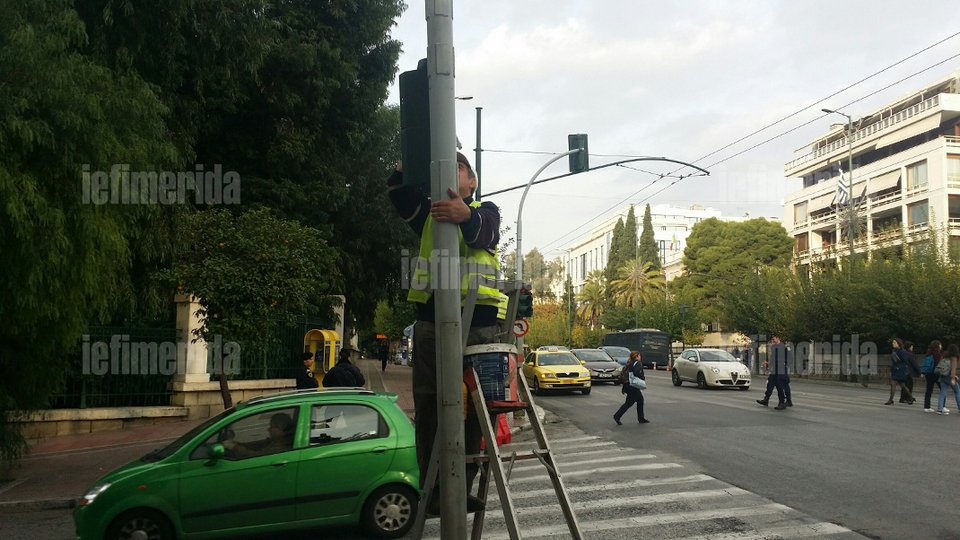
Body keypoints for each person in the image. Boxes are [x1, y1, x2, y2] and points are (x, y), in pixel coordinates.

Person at [388, 150, 506, 514]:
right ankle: (435, 489)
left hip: (480, 329)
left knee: (475, 410)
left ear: (471, 182)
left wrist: (465, 214)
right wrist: (408, 162)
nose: (454, 171)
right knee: (429, 406)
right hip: (432, 324)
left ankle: (462, 485)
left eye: (461, 167)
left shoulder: (487, 210)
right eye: (446, 165)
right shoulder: (429, 214)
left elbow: (485, 230)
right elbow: (398, 193)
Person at [222, 412, 295, 458]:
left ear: (280, 429)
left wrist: (234, 447)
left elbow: (257, 456)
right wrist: (237, 444)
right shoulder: (277, 440)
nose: (268, 429)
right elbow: (258, 445)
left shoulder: (282, 445)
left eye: (272, 427)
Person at [613, 351, 650, 425]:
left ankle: (641, 418)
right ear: (637, 356)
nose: (640, 357)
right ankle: (617, 416)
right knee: (629, 403)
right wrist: (642, 377)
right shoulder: (637, 363)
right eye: (639, 356)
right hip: (632, 386)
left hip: (628, 385)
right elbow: (636, 373)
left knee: (640, 400)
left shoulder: (629, 363)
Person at [757, 334, 790, 410]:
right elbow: (772, 358)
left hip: (781, 369)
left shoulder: (783, 347)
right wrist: (768, 365)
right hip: (774, 369)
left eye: (774, 339)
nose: (773, 341)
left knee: (779, 386)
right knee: (769, 385)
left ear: (778, 338)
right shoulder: (773, 347)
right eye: (772, 339)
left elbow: (789, 358)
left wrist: (785, 365)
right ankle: (766, 400)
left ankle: (782, 402)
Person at [886, 338, 915, 405]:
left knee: (898, 385)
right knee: (900, 385)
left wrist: (899, 365)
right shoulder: (894, 351)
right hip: (895, 370)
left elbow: (905, 361)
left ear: (898, 343)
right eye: (893, 342)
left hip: (900, 371)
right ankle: (910, 398)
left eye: (894, 342)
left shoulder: (902, 351)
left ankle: (891, 400)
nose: (893, 343)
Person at [935, 343, 960, 415]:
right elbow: (953, 369)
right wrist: (953, 378)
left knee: (942, 393)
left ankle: (939, 409)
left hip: (942, 376)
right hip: (949, 377)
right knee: (957, 392)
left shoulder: (944, 356)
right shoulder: (954, 357)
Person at [920, 340, 943, 412]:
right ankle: (942, 406)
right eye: (940, 345)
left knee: (929, 390)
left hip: (928, 374)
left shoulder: (928, 354)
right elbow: (938, 365)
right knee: (943, 389)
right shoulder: (937, 354)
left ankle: (927, 407)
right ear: (938, 346)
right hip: (936, 374)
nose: (941, 346)